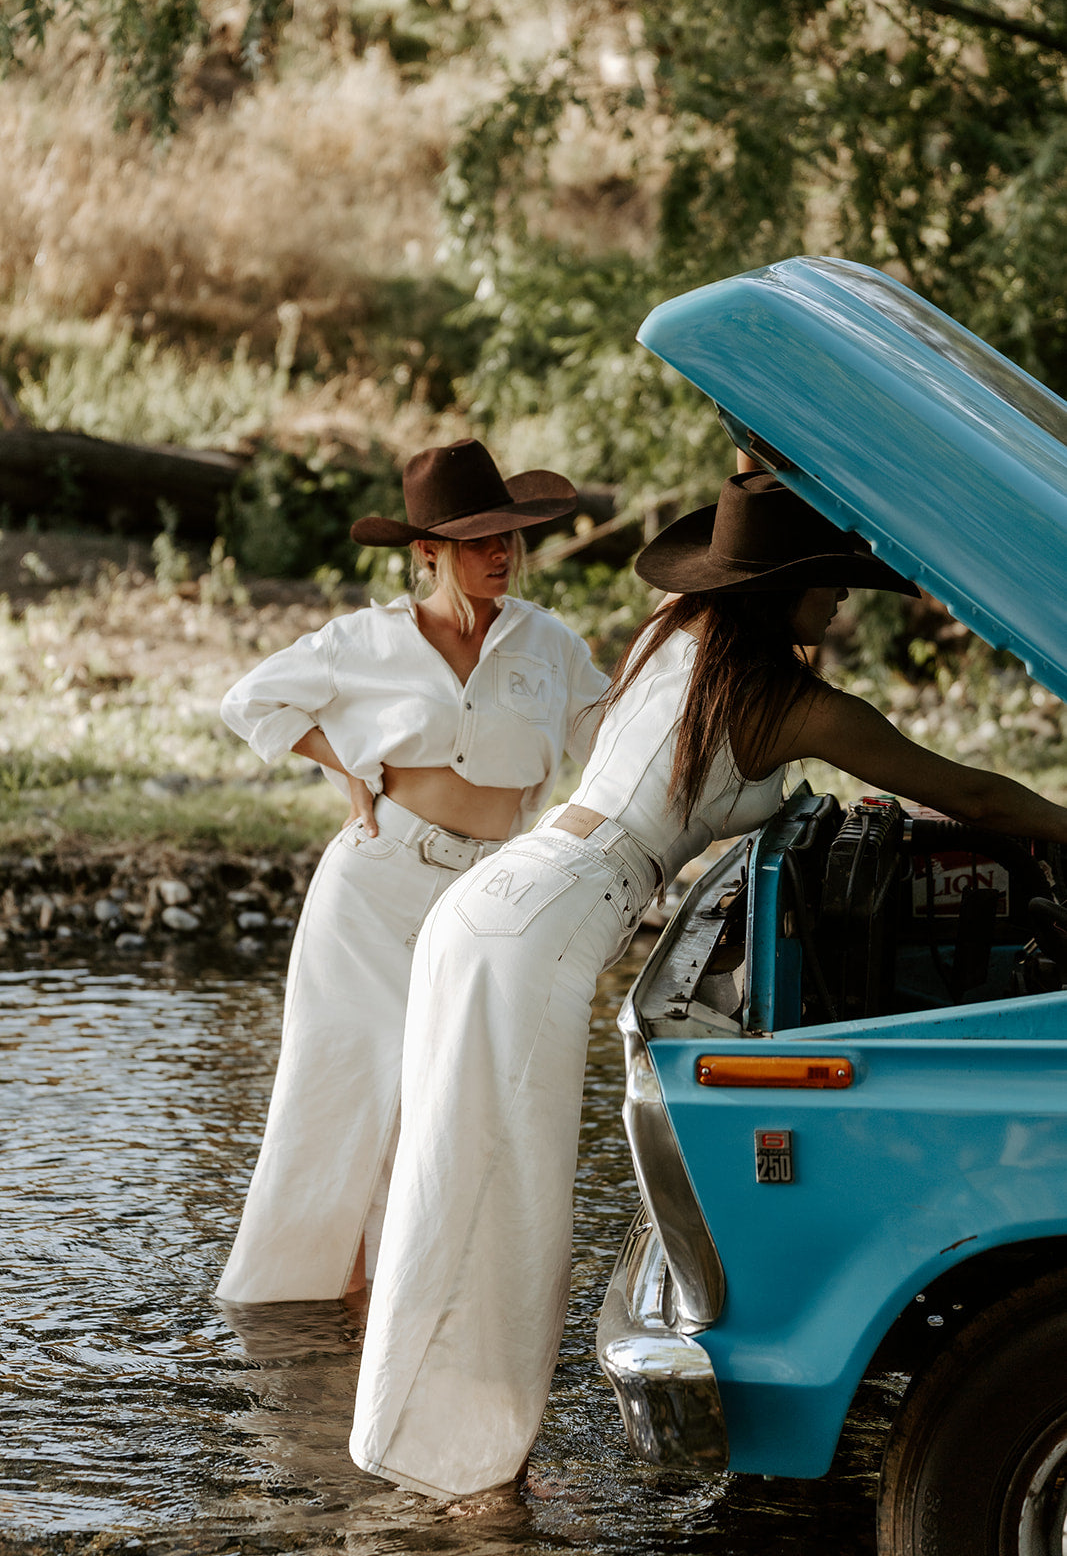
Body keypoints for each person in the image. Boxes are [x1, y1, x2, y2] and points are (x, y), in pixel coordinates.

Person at [348, 468, 1067, 1500]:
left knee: (450, 1181)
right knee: (503, 1202)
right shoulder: (788, 701)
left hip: (493, 905)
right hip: (538, 932)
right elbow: (958, 788)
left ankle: (433, 1456)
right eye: (824, 582)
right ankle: (468, 1477)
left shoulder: (674, 641)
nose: (839, 599)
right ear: (777, 589)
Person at [215, 438, 608, 1305]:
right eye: (476, 540)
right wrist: (340, 761)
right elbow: (250, 701)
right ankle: (306, 1313)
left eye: (507, 537)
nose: (499, 554)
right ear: (426, 552)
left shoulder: (550, 645)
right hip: (370, 890)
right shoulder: (363, 641)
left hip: (488, 897)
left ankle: (410, 1303)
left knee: (446, 1098)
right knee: (340, 1090)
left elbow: (612, 740)